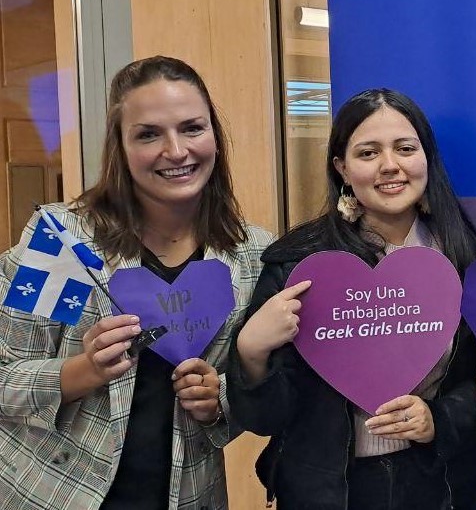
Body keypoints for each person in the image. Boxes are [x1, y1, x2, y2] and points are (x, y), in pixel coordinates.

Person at [0, 56, 273, 509]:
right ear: (120, 147)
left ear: (214, 136)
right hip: (53, 494)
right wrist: (84, 370)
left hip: (189, 497)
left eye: (192, 128)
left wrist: (218, 400)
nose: (177, 151)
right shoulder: (67, 243)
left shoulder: (252, 254)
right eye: (148, 134)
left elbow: (256, 391)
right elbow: (5, 378)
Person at [228, 89, 476, 509]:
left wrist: (438, 419)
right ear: (342, 168)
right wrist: (251, 352)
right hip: (327, 493)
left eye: (405, 148)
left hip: (438, 487)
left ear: (426, 158)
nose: (390, 165)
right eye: (368, 153)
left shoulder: (469, 258)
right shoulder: (298, 265)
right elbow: (264, 418)